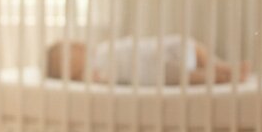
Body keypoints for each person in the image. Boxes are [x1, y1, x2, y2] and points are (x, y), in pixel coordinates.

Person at [47, 36, 250, 86]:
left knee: (190, 44)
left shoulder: (99, 48)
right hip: (153, 69)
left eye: (70, 49)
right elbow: (100, 80)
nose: (72, 53)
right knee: (185, 75)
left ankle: (224, 66)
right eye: (65, 59)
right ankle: (218, 77)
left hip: (157, 48)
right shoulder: (89, 73)